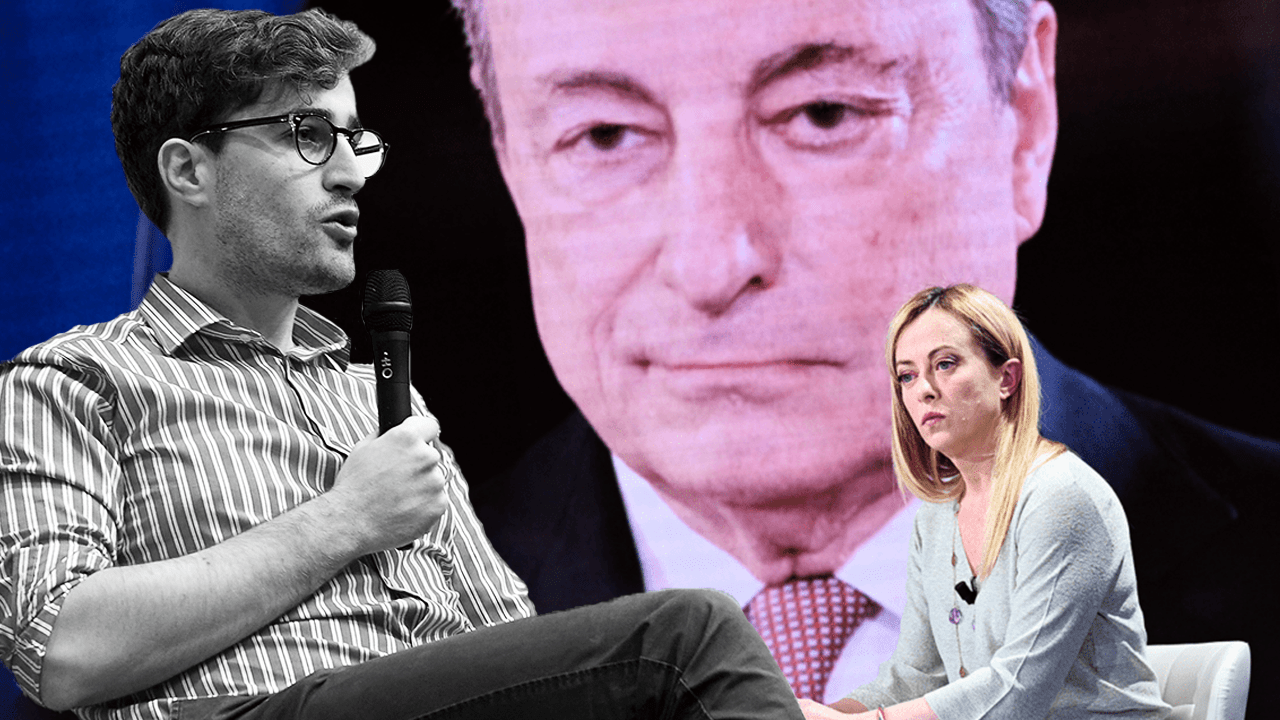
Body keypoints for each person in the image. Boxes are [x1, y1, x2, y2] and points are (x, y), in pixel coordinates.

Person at [448, 0, 1276, 709]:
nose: (711, 264)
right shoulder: (392, 637)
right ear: (507, 154)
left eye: (824, 115)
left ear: (1023, 119)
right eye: (604, 135)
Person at [0, 9, 806, 720]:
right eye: (306, 135)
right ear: (188, 171)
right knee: (685, 633)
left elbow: (513, 650)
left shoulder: (381, 398)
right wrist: (345, 519)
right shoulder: (71, 382)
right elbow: (60, 649)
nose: (351, 173)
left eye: (353, 139)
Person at [797, 284, 1170, 720]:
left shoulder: (1061, 497)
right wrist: (818, 715)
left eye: (945, 364)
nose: (924, 390)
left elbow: (1018, 691)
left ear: (1007, 379)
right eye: (907, 376)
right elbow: (915, 678)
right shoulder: (934, 519)